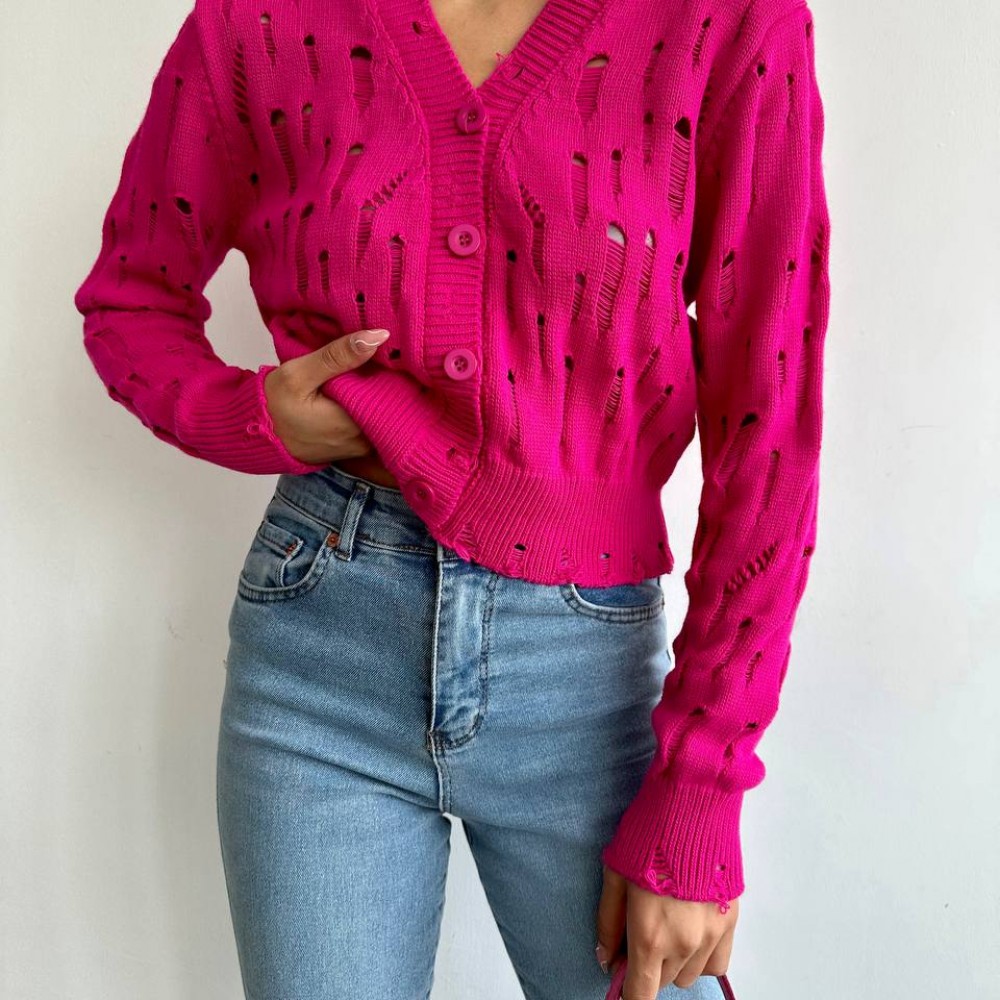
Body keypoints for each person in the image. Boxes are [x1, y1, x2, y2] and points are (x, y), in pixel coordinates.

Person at [73, 0, 830, 997]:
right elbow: (131, 296)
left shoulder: (726, 22)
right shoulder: (258, 21)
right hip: (318, 646)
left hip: (586, 676)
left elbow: (768, 426)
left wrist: (701, 784)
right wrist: (253, 417)